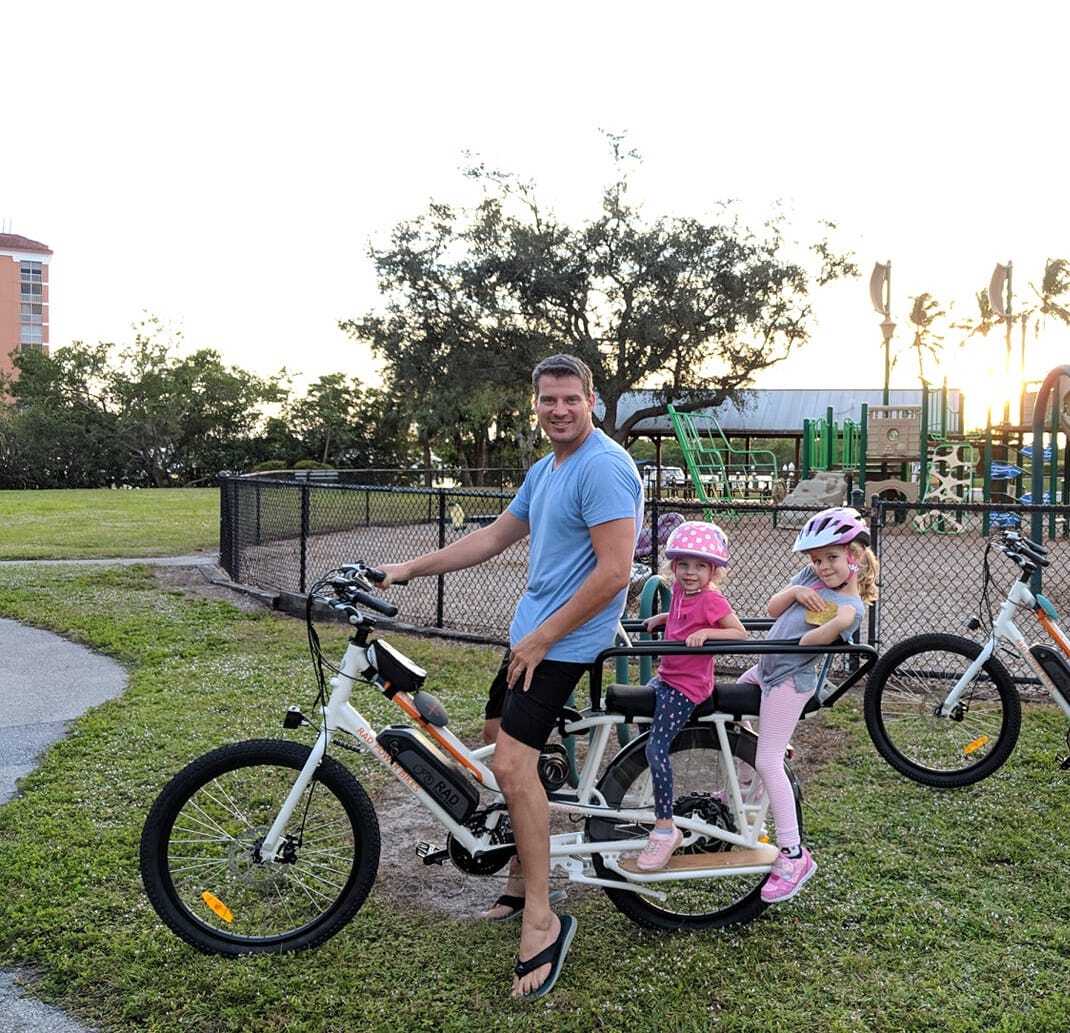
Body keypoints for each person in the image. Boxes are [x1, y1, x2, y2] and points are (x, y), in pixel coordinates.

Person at [378, 353, 643, 999]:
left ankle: (543, 918)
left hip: (563, 641)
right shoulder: (547, 468)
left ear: (591, 401)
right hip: (532, 636)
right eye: (549, 399)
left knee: (513, 765)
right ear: (536, 403)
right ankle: (523, 878)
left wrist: (545, 636)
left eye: (571, 399)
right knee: (497, 738)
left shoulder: (603, 466)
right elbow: (495, 536)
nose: (560, 409)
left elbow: (615, 573)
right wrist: (407, 569)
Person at [738, 506, 878, 902]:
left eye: (832, 557)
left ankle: (794, 854)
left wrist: (837, 624)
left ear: (854, 556)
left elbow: (806, 643)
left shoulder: (851, 609)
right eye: (817, 560)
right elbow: (773, 608)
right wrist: (796, 592)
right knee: (731, 716)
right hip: (765, 670)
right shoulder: (808, 578)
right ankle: (744, 787)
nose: (823, 567)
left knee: (768, 761)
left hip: (790, 682)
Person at [637, 520, 747, 870]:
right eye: (683, 564)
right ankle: (652, 790)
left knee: (655, 748)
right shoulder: (681, 592)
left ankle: (665, 827)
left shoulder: (712, 598)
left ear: (713, 571)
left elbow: (740, 634)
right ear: (673, 566)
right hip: (666, 677)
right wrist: (663, 618)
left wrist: (707, 633)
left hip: (687, 687)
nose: (690, 572)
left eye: (700, 566)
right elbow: (682, 619)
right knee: (639, 723)